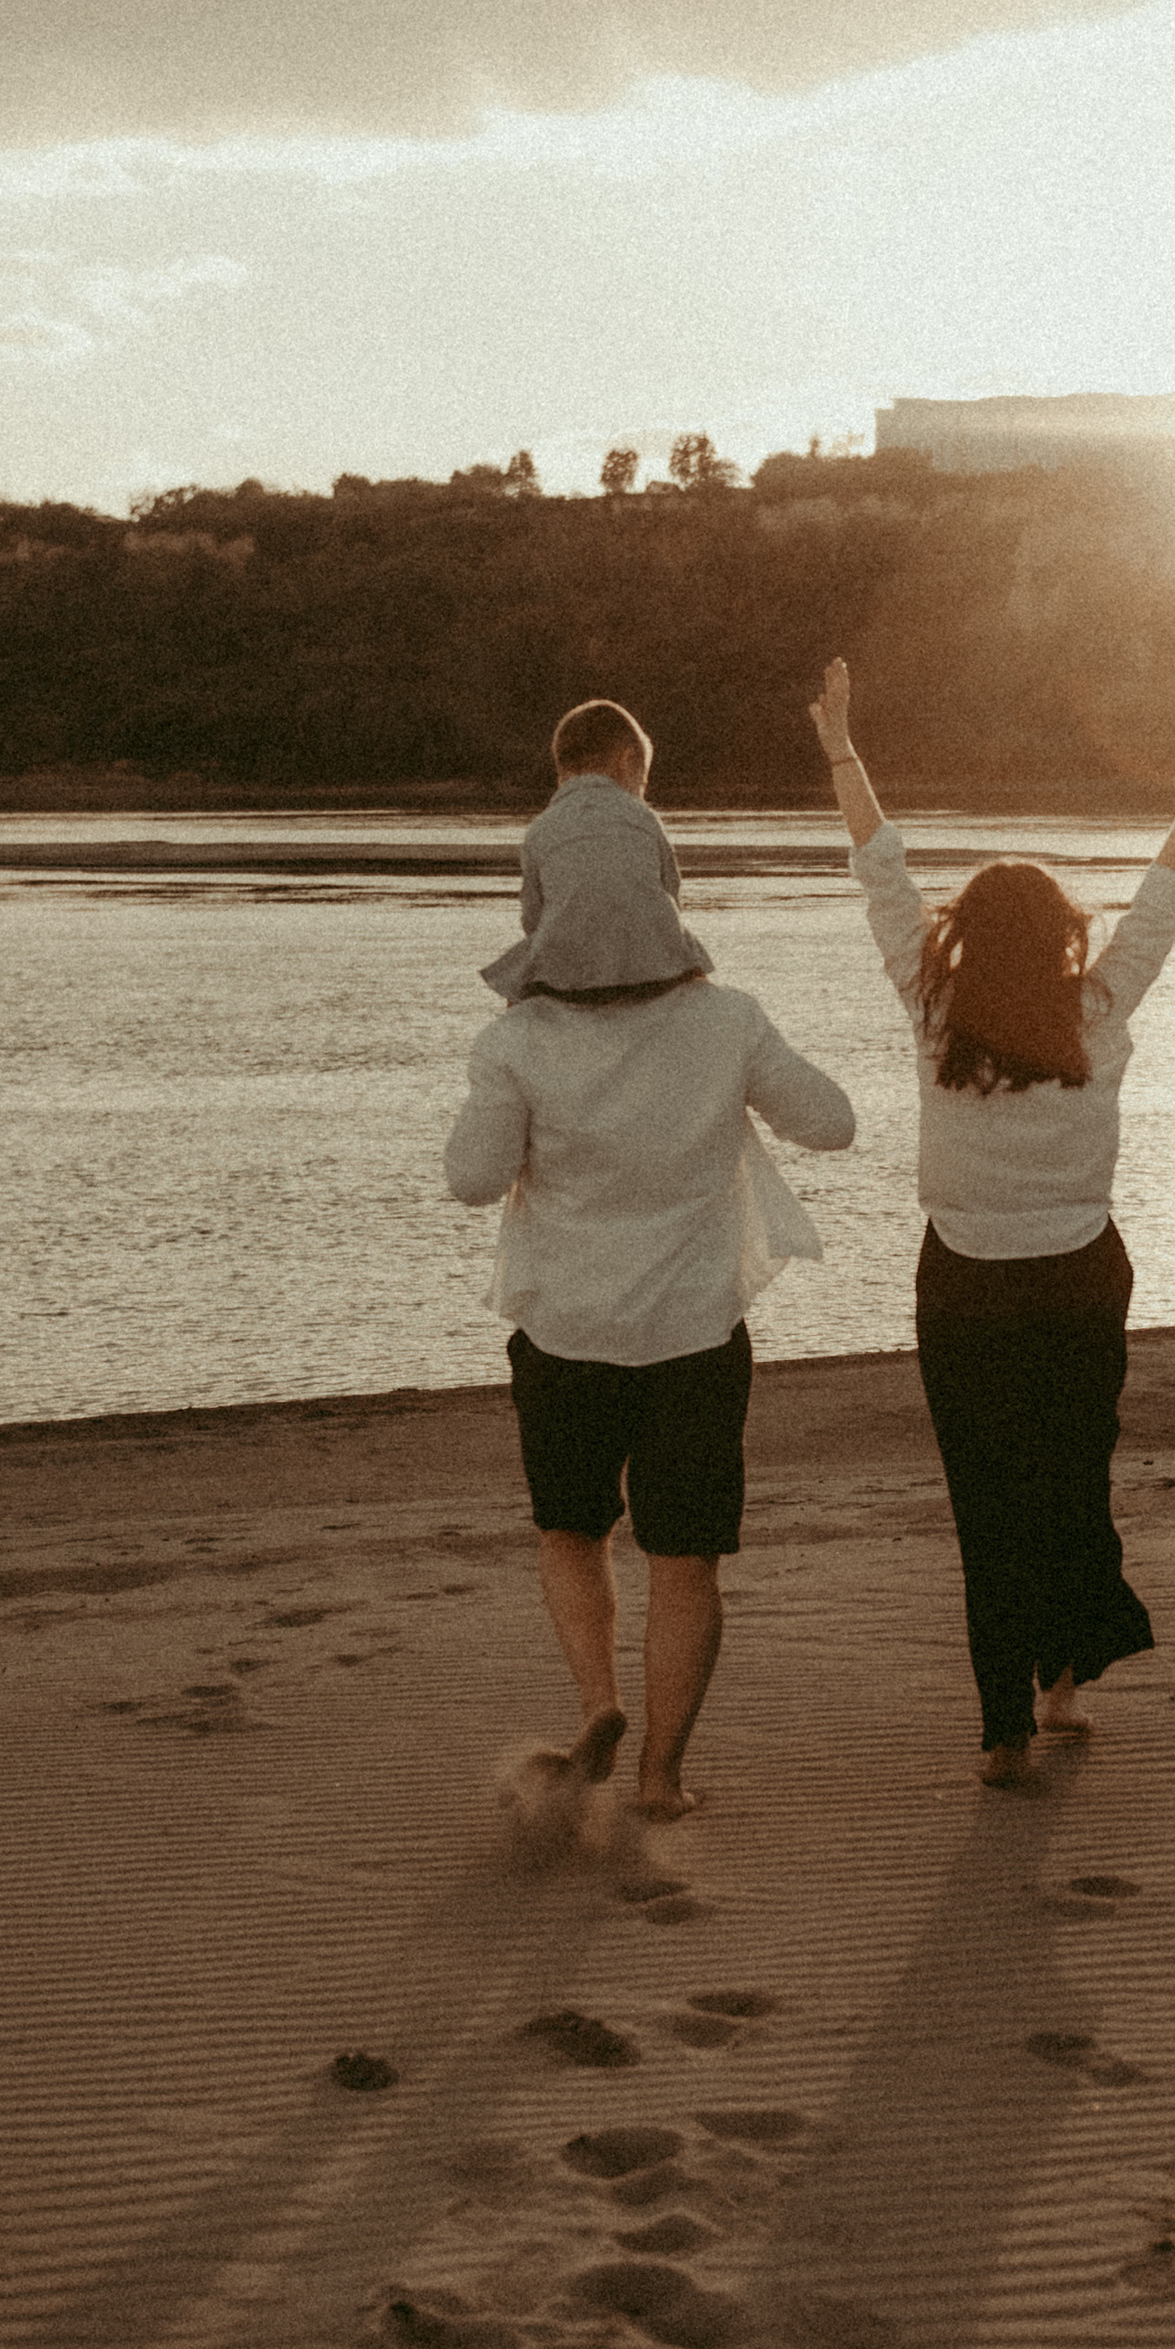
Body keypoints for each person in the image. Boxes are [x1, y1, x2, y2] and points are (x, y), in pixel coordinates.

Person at [808, 656, 1175, 1786]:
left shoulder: (933, 1005)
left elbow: (881, 873)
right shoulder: (1094, 1007)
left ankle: (1005, 1725)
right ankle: (1057, 1684)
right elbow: (1164, 886)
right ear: (1059, 935)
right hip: (1079, 1277)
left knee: (987, 1503)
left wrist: (842, 748)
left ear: (967, 936)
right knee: (1069, 1481)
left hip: (964, 1284)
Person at [446, 709, 854, 1820]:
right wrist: (730, 1086)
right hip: (690, 1337)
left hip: (566, 1334)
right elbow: (834, 1123)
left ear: (543, 899)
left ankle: (594, 1699)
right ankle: (663, 1776)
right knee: (686, 1560)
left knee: (571, 1531)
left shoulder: (516, 1042)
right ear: (663, 881)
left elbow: (471, 1180)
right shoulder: (725, 1018)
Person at [477, 697, 715, 1005]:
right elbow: (672, 891)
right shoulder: (643, 817)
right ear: (627, 761)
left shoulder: (540, 829)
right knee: (692, 966)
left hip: (567, 983)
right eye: (641, 783)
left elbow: (532, 916)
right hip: (655, 976)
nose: (640, 793)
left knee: (523, 980)